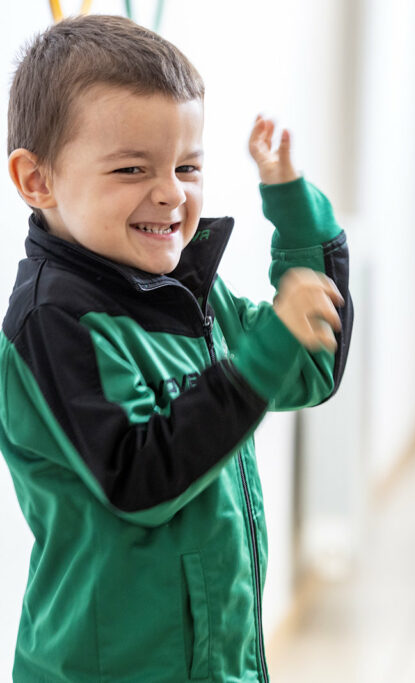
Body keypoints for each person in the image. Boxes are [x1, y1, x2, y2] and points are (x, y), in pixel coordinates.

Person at [0, 15, 352, 681]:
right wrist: (265, 348)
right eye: (133, 168)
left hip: (222, 661)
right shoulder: (53, 321)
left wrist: (295, 210)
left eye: (187, 166)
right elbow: (141, 477)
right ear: (37, 180)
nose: (171, 192)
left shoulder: (186, 293)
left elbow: (310, 365)